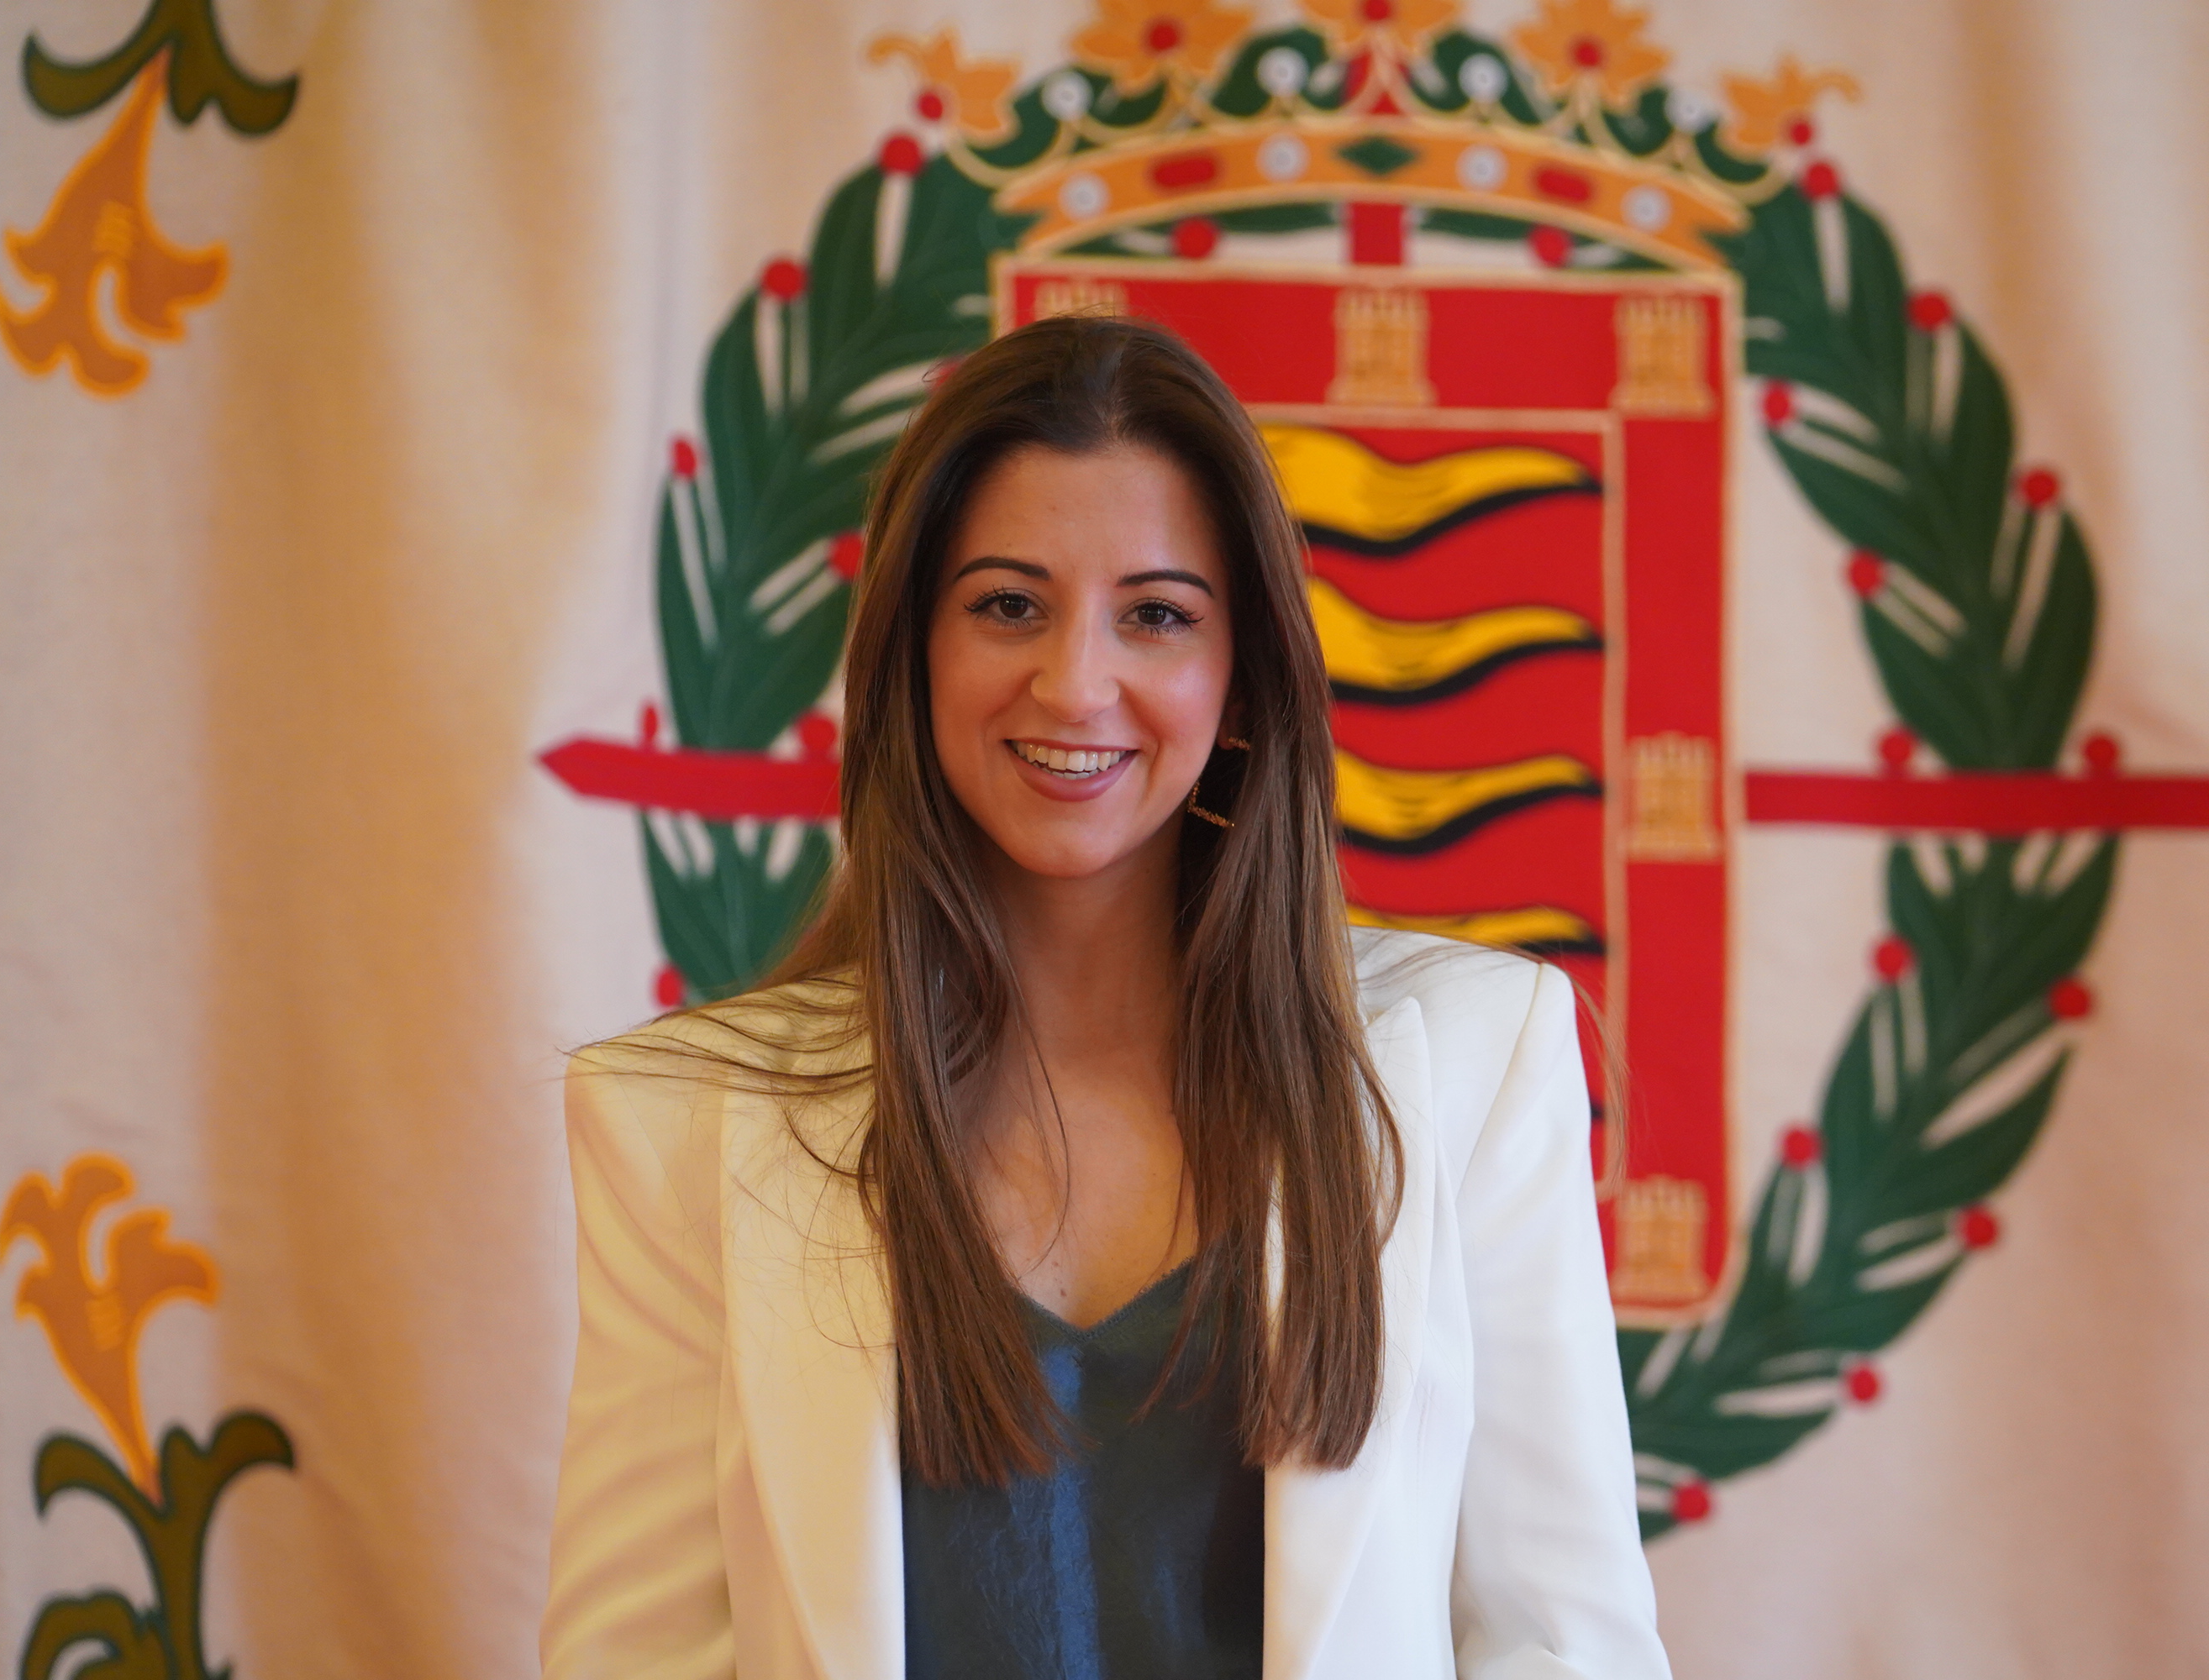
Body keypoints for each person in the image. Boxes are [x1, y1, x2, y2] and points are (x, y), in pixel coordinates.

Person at [541, 314, 1670, 1680]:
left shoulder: (1476, 1065)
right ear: (912, 653)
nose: (1076, 682)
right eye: (1008, 605)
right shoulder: (679, 1119)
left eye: (1157, 615)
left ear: (1242, 674)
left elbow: (1564, 1650)